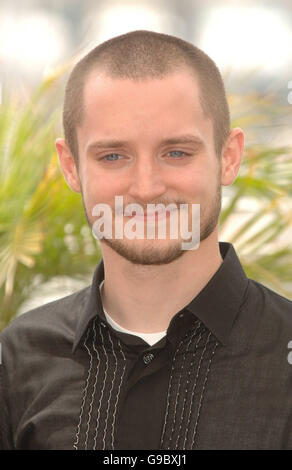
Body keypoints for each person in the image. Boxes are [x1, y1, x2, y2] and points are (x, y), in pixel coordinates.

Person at [0, 30, 291, 451]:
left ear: (228, 157)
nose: (147, 188)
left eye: (176, 152)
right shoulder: (17, 360)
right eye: (113, 156)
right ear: (71, 166)